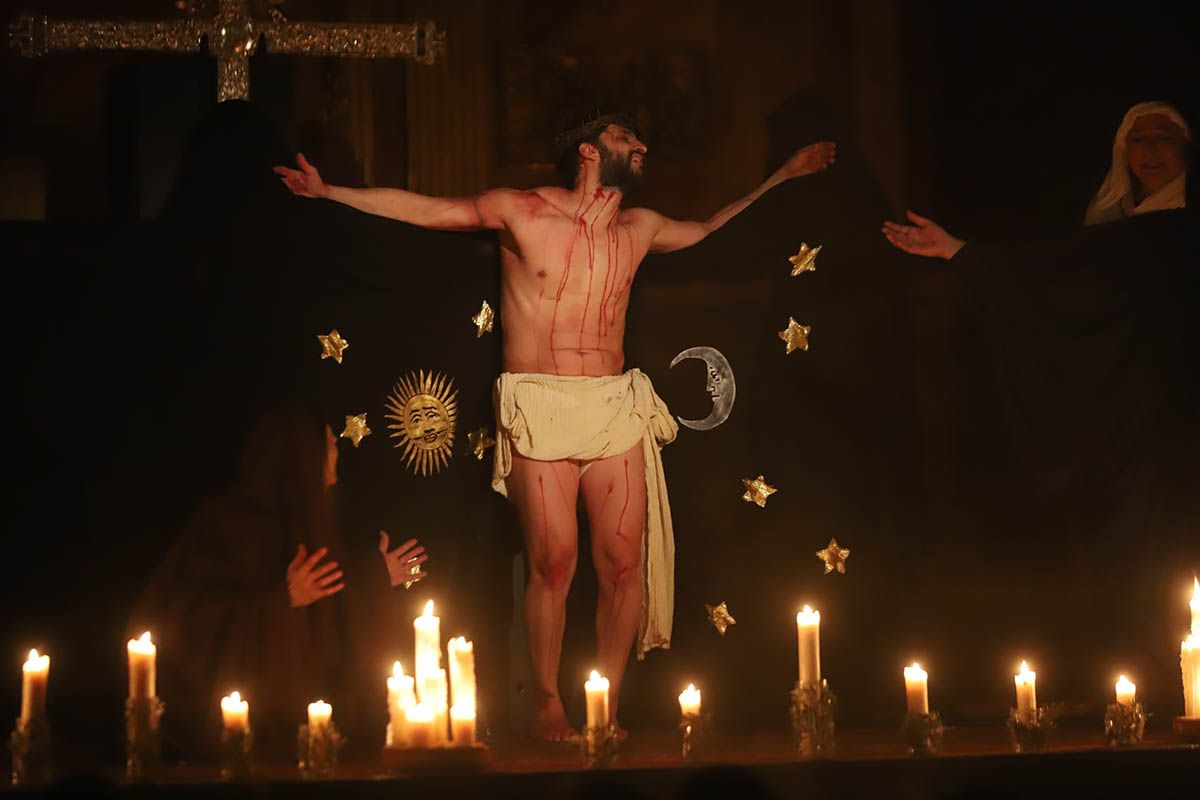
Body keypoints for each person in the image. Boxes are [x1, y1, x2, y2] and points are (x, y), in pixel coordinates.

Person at [275, 112, 835, 740]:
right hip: (540, 402)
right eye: (628, 139)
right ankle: (547, 703)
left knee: (623, 563)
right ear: (592, 152)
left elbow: (710, 229)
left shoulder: (640, 228)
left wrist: (783, 176)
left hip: (613, 403)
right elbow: (430, 211)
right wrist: (330, 194)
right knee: (556, 562)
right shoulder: (525, 211)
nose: (642, 146)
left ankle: (607, 707)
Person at [129, 404, 428, 761]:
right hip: (242, 736)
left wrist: (374, 579)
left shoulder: (311, 518)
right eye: (331, 443)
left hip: (308, 732)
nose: (336, 452)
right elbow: (190, 622)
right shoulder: (226, 522)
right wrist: (280, 600)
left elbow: (329, 622)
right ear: (304, 455)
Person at [881, 100, 1191, 258]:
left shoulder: (1187, 221)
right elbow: (1051, 273)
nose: (1150, 150)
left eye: (1164, 137)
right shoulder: (1108, 216)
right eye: (1138, 140)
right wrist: (957, 250)